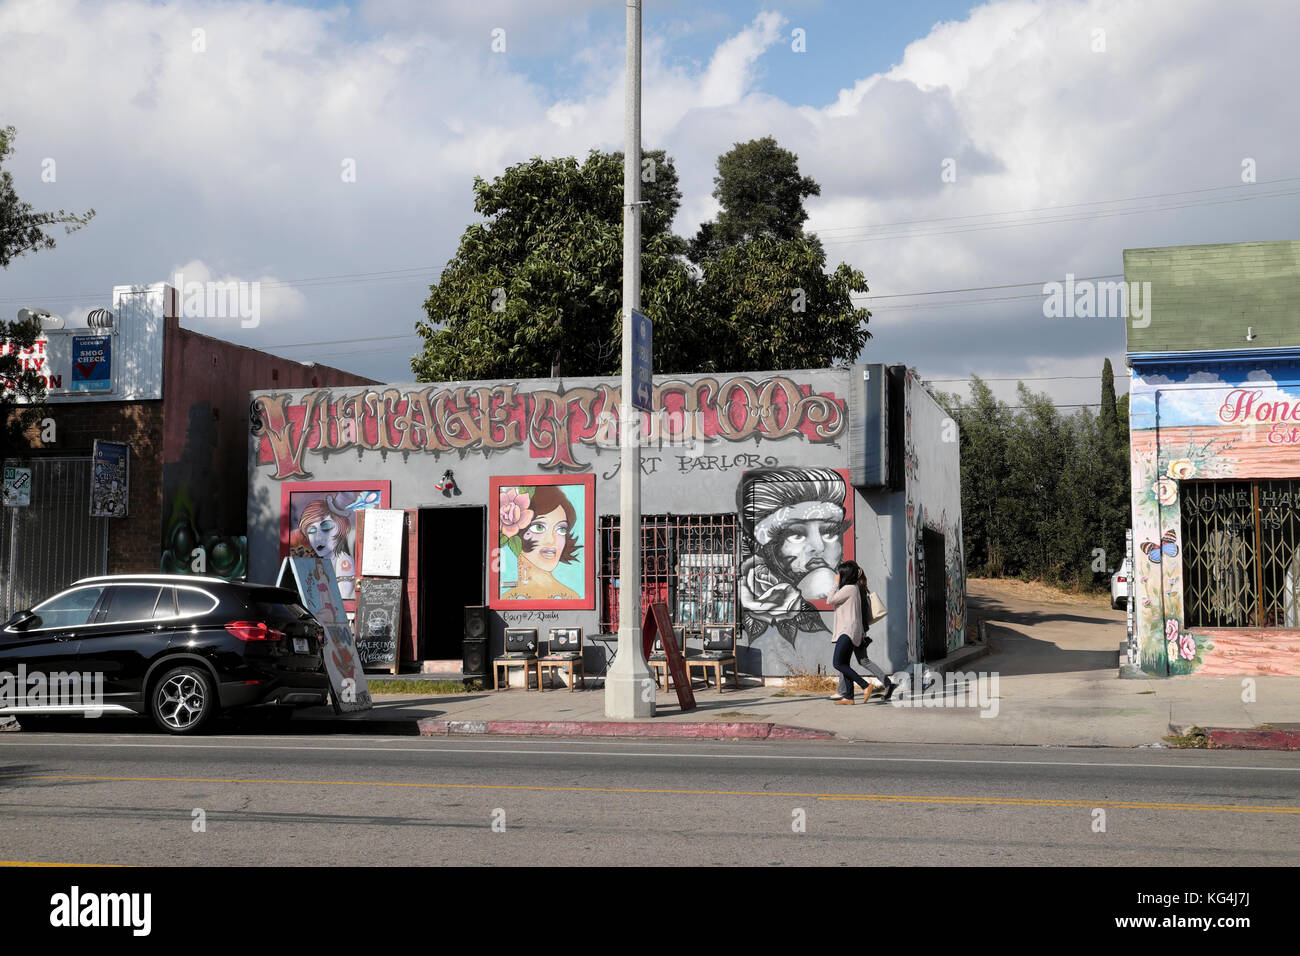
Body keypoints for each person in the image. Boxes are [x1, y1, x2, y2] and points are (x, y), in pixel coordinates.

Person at [827, 560, 898, 704]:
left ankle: (864, 685)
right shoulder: (856, 588)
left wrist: (835, 583)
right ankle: (848, 696)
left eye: (840, 573)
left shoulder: (850, 588)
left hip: (849, 631)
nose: (837, 575)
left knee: (839, 663)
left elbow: (830, 600)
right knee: (849, 661)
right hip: (854, 630)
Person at [501, 485, 583, 600]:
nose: (552, 540)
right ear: (517, 529)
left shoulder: (570, 597)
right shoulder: (507, 598)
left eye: (561, 529)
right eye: (539, 527)